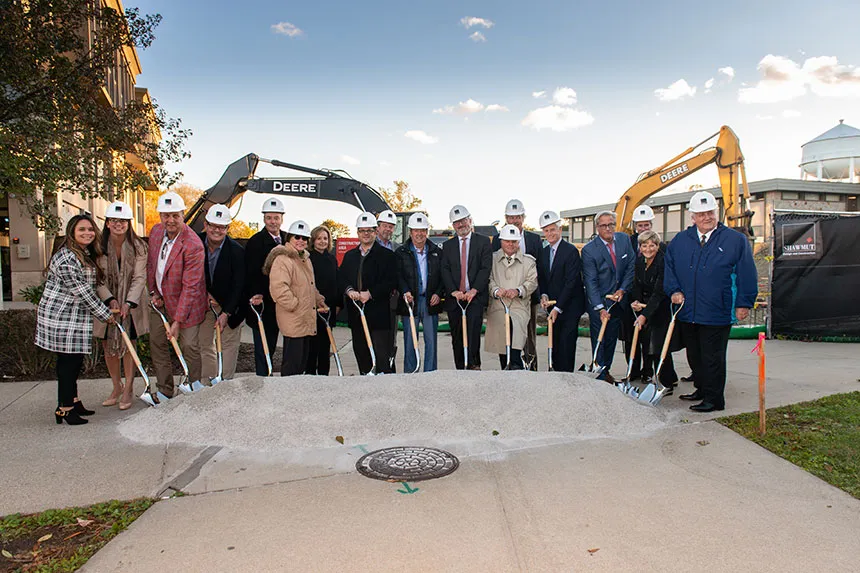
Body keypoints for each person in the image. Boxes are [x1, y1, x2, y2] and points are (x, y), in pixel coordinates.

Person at [664, 191, 757, 412]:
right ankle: (702, 389)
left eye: (710, 212)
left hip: (717, 310)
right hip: (688, 311)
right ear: (692, 217)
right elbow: (670, 268)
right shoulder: (680, 241)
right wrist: (674, 290)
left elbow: (747, 273)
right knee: (694, 355)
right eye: (701, 214)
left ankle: (715, 400)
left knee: (713, 357)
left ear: (717, 213)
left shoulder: (735, 240)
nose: (707, 217)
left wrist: (743, 302)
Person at [36, 214, 115, 425]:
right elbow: (83, 292)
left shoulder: (83, 253)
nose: (87, 233)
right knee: (68, 362)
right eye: (82, 230)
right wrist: (106, 315)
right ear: (72, 232)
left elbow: (94, 285)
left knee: (74, 359)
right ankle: (65, 409)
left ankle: (72, 400)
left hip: (74, 315)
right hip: (61, 316)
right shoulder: (66, 257)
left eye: (90, 229)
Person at [146, 191, 207, 401]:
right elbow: (152, 264)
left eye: (175, 215)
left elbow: (191, 287)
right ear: (160, 216)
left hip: (187, 305)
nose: (170, 220)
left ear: (183, 215)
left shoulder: (193, 245)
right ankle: (164, 390)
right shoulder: (155, 232)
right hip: (161, 300)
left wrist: (177, 321)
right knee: (157, 342)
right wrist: (154, 291)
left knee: (189, 345)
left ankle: (194, 387)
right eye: (166, 215)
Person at [93, 201, 149, 410]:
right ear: (107, 223)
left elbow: (139, 277)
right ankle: (116, 386)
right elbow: (97, 279)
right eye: (114, 220)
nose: (119, 224)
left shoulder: (139, 246)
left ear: (129, 223)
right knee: (109, 347)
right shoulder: (97, 248)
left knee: (128, 346)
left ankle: (129, 389)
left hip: (131, 304)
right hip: (106, 304)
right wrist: (110, 299)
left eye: (123, 221)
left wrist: (128, 302)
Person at [338, 212, 398, 374]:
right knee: (362, 353)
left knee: (381, 355)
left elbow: (391, 281)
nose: (366, 234)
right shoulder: (350, 256)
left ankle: (385, 387)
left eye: (370, 230)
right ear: (357, 232)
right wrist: (349, 290)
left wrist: (370, 293)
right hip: (357, 313)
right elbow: (341, 278)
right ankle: (365, 385)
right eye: (362, 231)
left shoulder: (387, 256)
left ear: (375, 231)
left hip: (378, 314)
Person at [266, 220, 327, 376]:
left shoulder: (305, 259)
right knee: (292, 363)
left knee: (301, 362)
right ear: (289, 238)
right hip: (293, 318)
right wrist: (295, 304)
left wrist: (318, 299)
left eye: (304, 238)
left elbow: (308, 286)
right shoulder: (283, 259)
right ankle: (286, 396)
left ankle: (296, 395)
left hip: (305, 317)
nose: (301, 241)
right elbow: (279, 289)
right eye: (297, 237)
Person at [581, 210, 636, 382]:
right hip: (599, 302)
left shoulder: (624, 240)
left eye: (611, 224)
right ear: (597, 227)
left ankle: (606, 369)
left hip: (618, 300)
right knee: (600, 339)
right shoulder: (590, 250)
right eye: (604, 225)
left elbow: (630, 267)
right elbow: (591, 281)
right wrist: (599, 307)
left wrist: (623, 289)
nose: (608, 228)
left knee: (612, 338)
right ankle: (599, 372)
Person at [491, 199, 543, 370]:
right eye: (511, 217)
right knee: (505, 335)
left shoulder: (534, 239)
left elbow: (539, 270)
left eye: (518, 217)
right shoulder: (498, 239)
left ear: (523, 217)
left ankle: (531, 368)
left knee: (528, 336)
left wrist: (528, 291)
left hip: (526, 297)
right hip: (504, 297)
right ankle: (507, 369)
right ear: (506, 218)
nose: (514, 220)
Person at [441, 205, 493, 370]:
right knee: (457, 334)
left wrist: (474, 290)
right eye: (456, 222)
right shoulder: (448, 246)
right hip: (455, 298)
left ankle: (473, 365)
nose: (461, 225)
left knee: (473, 333)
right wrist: (453, 291)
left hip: (475, 297)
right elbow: (445, 269)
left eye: (463, 220)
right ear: (453, 226)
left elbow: (486, 268)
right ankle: (460, 368)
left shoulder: (483, 242)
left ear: (470, 220)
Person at [198, 205, 245, 383]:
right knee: (204, 344)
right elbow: (189, 274)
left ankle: (225, 383)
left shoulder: (236, 251)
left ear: (228, 228)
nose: (217, 230)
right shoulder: (195, 243)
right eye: (213, 225)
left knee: (228, 345)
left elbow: (239, 285)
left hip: (230, 305)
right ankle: (208, 382)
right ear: (206, 224)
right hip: (203, 304)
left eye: (222, 227)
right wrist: (204, 295)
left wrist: (227, 312)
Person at [536, 210, 586, 372]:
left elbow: (571, 283)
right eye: (546, 230)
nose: (549, 233)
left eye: (552, 229)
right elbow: (542, 278)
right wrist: (543, 295)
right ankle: (556, 376)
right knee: (555, 343)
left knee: (566, 344)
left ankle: (566, 378)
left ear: (559, 229)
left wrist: (558, 308)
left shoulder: (570, 251)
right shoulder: (543, 253)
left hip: (570, 306)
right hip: (553, 306)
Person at [629, 230, 678, 392]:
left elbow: (659, 292)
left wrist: (644, 315)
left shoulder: (662, 262)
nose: (648, 249)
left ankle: (666, 383)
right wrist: (635, 301)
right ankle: (670, 376)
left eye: (652, 245)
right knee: (648, 344)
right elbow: (636, 284)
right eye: (644, 245)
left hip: (660, 307)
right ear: (640, 247)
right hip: (645, 305)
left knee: (658, 345)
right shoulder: (639, 261)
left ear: (657, 246)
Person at [395, 212, 444, 372]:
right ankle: (411, 373)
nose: (420, 234)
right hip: (411, 302)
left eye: (423, 230)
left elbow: (443, 276)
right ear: (410, 232)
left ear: (427, 232)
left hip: (430, 302)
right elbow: (399, 276)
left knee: (431, 341)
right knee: (410, 340)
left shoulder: (437, 252)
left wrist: (438, 293)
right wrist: (405, 291)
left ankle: (430, 374)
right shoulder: (402, 253)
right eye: (416, 230)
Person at [245, 197, 287, 375]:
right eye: (269, 218)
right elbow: (251, 272)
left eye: (276, 218)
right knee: (264, 346)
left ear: (282, 218)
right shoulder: (256, 242)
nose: (273, 221)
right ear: (264, 219)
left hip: (283, 302)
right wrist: (257, 293)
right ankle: (263, 380)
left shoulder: (288, 239)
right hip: (264, 303)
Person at [621, 204, 656, 381]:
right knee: (630, 337)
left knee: (648, 338)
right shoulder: (628, 243)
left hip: (649, 299)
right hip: (631, 298)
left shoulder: (658, 244)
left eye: (646, 225)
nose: (643, 228)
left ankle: (648, 372)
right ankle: (632, 371)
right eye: (640, 225)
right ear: (635, 226)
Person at [305, 225, 339, 375]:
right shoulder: (307, 258)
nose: (322, 241)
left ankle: (324, 376)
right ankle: (311, 375)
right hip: (313, 308)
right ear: (313, 240)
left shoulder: (332, 259)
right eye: (319, 238)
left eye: (325, 238)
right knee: (312, 347)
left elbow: (336, 282)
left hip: (329, 309)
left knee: (325, 346)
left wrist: (338, 304)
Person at [376, 209, 401, 371]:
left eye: (391, 227)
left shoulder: (397, 248)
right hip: (375, 301)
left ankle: (390, 369)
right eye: (385, 226)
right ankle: (378, 368)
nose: (388, 229)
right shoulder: (370, 246)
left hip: (392, 301)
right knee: (377, 338)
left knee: (391, 338)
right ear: (377, 227)